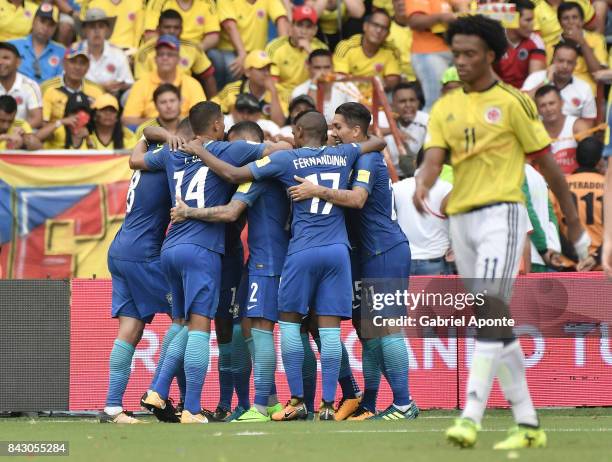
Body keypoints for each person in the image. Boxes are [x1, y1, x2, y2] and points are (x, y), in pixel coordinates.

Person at [414, 14, 589, 450]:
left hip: (503, 216)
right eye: (457, 54)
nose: (463, 61)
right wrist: (423, 183)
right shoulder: (445, 107)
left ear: (491, 54)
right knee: (491, 317)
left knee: (491, 308)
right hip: (461, 221)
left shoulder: (513, 103)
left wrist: (576, 229)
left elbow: (551, 170)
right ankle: (528, 423)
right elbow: (434, 156)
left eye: (470, 53)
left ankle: (471, 415)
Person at [183, 110, 386, 421]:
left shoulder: (269, 170)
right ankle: (336, 397)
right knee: (318, 329)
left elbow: (231, 204)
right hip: (334, 250)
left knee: (266, 328)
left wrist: (190, 203)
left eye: (236, 147)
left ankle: (267, 403)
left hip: (275, 260)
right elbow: (376, 143)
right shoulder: (339, 154)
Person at [136, 101, 286, 424]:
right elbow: (279, 149)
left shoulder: (172, 153)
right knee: (200, 330)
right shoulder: (226, 151)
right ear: (218, 124)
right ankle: (191, 408)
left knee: (181, 325)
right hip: (202, 249)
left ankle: (158, 389)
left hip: (171, 246)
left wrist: (165, 133)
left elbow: (137, 156)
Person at [287, 103, 418, 421]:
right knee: (366, 331)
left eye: (338, 127)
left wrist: (316, 190)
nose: (332, 133)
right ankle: (369, 402)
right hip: (362, 254)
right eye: (330, 127)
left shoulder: (367, 157)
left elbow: (358, 199)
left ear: (356, 131)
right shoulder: (350, 156)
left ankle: (404, 403)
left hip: (385, 251)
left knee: (387, 328)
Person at [99, 134, 176, 424]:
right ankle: (163, 397)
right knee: (185, 319)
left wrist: (146, 135)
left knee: (130, 329)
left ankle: (112, 408)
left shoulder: (147, 155)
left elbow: (145, 136)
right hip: (143, 254)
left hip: (120, 250)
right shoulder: (170, 157)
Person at [122, 35, 206, 127]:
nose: (165, 58)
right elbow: (127, 120)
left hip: (184, 133)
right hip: (150, 134)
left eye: (170, 54)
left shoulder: (192, 84)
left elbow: (202, 117)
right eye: (161, 54)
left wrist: (172, 122)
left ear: (178, 59)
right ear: (155, 59)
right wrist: (161, 122)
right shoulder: (141, 84)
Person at [393, 0, 460, 111]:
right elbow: (414, 22)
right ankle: (426, 128)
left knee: (452, 101)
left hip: (450, 52)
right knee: (435, 103)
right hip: (429, 53)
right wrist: (440, 17)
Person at [393, 150, 452, 275]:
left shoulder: (397, 188)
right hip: (435, 263)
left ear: (415, 163)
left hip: (404, 263)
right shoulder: (447, 189)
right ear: (440, 167)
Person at [135, 9, 216, 97]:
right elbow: (141, 84)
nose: (172, 31)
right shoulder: (144, 52)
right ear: (158, 29)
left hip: (185, 92)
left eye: (176, 28)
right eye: (167, 27)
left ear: (181, 29)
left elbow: (208, 76)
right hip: (152, 94)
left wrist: (213, 102)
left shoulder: (192, 48)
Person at [211, 0, 289, 89]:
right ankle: (223, 99)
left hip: (257, 53)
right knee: (233, 67)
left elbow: (281, 20)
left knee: (267, 69)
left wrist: (285, 50)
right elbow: (230, 26)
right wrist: (242, 54)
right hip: (231, 51)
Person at [553, 136, 604, 271]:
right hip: (602, 265)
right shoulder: (608, 186)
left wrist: (576, 256)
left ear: (575, 160)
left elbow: (552, 226)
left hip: (569, 266)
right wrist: (595, 257)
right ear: (600, 162)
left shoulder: (558, 186)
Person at [522, 40, 596, 124]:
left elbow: (588, 123)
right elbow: (521, 103)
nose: (565, 66)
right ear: (553, 60)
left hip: (571, 135)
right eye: (561, 61)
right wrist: (546, 81)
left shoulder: (584, 88)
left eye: (570, 62)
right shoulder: (535, 78)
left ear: (575, 65)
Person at [265, 5, 327, 99]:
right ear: (291, 26)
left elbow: (326, 79)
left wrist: (310, 52)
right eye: (299, 25)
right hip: (282, 97)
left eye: (308, 27)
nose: (303, 31)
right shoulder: (275, 47)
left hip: (311, 95)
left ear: (315, 30)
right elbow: (270, 83)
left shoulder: (322, 49)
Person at [213, 50, 287, 127]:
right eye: (261, 69)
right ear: (247, 72)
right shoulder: (232, 89)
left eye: (268, 69)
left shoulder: (278, 91)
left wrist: (273, 92)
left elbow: (280, 124)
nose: (267, 73)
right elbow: (211, 111)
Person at [333, 10, 401, 92]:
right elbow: (340, 80)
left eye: (384, 28)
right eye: (375, 25)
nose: (379, 30)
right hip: (350, 94)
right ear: (365, 26)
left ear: (388, 34)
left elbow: (392, 82)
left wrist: (355, 79)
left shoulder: (392, 50)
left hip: (379, 93)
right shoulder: (346, 47)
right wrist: (375, 81)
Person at [291, 49, 359, 125]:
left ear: (333, 67)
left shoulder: (347, 86)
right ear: (309, 68)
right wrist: (313, 85)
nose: (322, 72)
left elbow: (356, 118)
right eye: (317, 68)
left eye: (326, 67)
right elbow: (305, 121)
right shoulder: (299, 91)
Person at [550, 1, 607, 93]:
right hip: (558, 93)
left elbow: (598, 74)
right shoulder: (552, 43)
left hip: (588, 94)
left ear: (582, 21)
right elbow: (549, 74)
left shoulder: (597, 40)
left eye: (575, 17)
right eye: (566, 18)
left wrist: (582, 43)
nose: (571, 22)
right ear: (560, 22)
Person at [40, 44, 104, 124]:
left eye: (82, 63)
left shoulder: (97, 91)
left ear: (88, 67)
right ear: (64, 64)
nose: (77, 67)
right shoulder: (47, 87)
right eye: (73, 62)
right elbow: (42, 123)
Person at [535, 84, 590, 174]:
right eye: (543, 105)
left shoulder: (577, 126)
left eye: (552, 103)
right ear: (537, 109)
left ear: (562, 103)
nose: (548, 109)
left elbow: (590, 157)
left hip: (574, 183)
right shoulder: (533, 130)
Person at [77, 9, 134, 97]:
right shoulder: (75, 52)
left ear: (107, 30)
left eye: (101, 26)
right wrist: (101, 87)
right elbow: (68, 83)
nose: (97, 31)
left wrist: (118, 85)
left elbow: (129, 83)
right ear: (84, 30)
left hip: (110, 102)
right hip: (82, 99)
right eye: (92, 27)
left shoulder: (118, 53)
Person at [380, 82, 428, 178]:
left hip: (416, 176)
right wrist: (393, 131)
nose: (408, 105)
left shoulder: (426, 120)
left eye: (412, 100)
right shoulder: (382, 117)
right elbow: (360, 130)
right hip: (385, 176)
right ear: (392, 105)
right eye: (402, 101)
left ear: (418, 103)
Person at [494, 0, 546, 89]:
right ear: (512, 19)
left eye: (532, 20)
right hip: (499, 92)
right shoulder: (494, 39)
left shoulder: (536, 41)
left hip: (527, 94)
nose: (533, 25)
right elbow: (486, 73)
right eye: (528, 20)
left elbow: (534, 81)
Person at [10, 3, 65, 85]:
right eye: (42, 21)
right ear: (33, 21)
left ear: (56, 28)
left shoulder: (62, 52)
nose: (45, 28)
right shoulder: (13, 46)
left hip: (47, 96)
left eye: (51, 25)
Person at [144, 0, 220, 52]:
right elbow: (150, 35)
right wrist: (169, 49)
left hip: (197, 49)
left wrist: (196, 51)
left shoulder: (208, 2)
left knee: (215, 56)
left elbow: (213, 36)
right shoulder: (157, 1)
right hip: (165, 49)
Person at [0, 42, 42, 129]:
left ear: (18, 62)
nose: (0, 62)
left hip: (19, 136)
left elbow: (37, 119)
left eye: (6, 58)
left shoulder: (30, 85)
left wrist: (15, 132)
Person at [79, 0, 144, 51]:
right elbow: (86, 34)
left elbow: (139, 33)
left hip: (128, 50)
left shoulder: (137, 3)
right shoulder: (94, 4)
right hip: (103, 50)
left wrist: (135, 53)